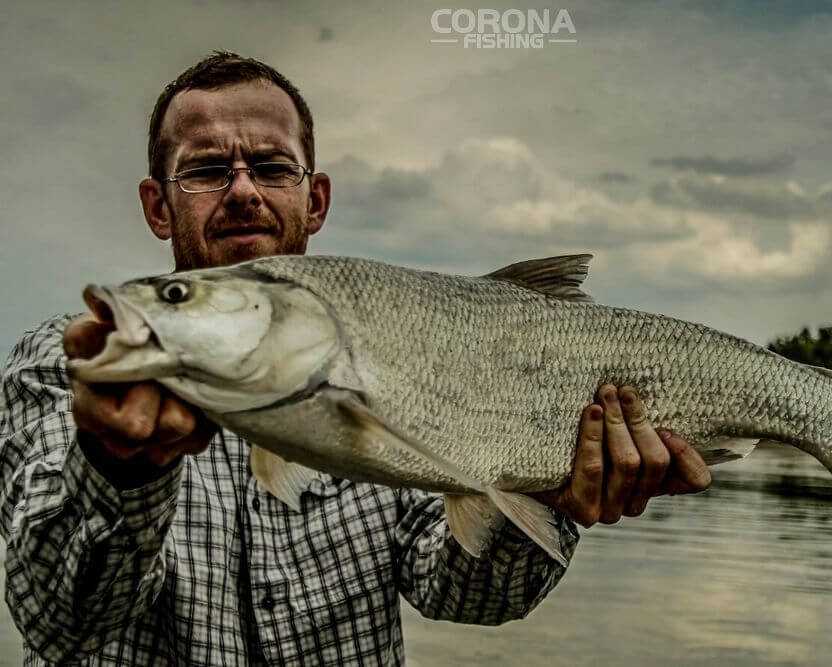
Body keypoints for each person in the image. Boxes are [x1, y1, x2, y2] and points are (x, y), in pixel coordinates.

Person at [0, 52, 711, 665]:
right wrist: (120, 470)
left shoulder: (396, 351)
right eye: (208, 169)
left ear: (315, 200)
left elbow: (463, 593)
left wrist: (554, 494)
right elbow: (62, 623)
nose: (243, 190)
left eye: (271, 167)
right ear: (158, 206)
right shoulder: (64, 365)